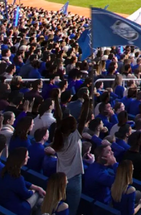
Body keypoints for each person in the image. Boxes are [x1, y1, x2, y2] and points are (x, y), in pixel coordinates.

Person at [52, 80, 93, 215]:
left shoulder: (58, 134)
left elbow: (58, 116)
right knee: (71, 211)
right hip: (74, 178)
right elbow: (83, 118)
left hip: (60, 176)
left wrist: (56, 99)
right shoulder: (75, 135)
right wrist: (87, 102)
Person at [0, 147, 45, 215]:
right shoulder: (17, 178)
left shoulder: (6, 171)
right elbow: (26, 194)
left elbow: (22, 183)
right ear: (21, 160)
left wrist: (36, 187)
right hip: (17, 210)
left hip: (4, 204)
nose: (29, 158)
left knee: (39, 200)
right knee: (39, 195)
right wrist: (33, 191)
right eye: (27, 156)